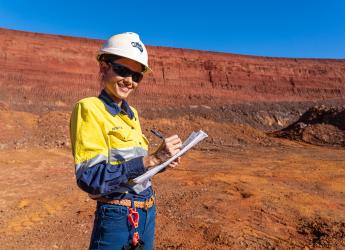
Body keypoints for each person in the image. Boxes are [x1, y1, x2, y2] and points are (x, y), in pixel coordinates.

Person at [70, 32, 182, 250]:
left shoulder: (133, 115)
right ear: (104, 67)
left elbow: (133, 170)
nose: (129, 81)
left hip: (147, 211)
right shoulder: (90, 108)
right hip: (117, 214)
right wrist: (150, 160)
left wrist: (161, 162)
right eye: (122, 70)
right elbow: (90, 178)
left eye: (137, 76)